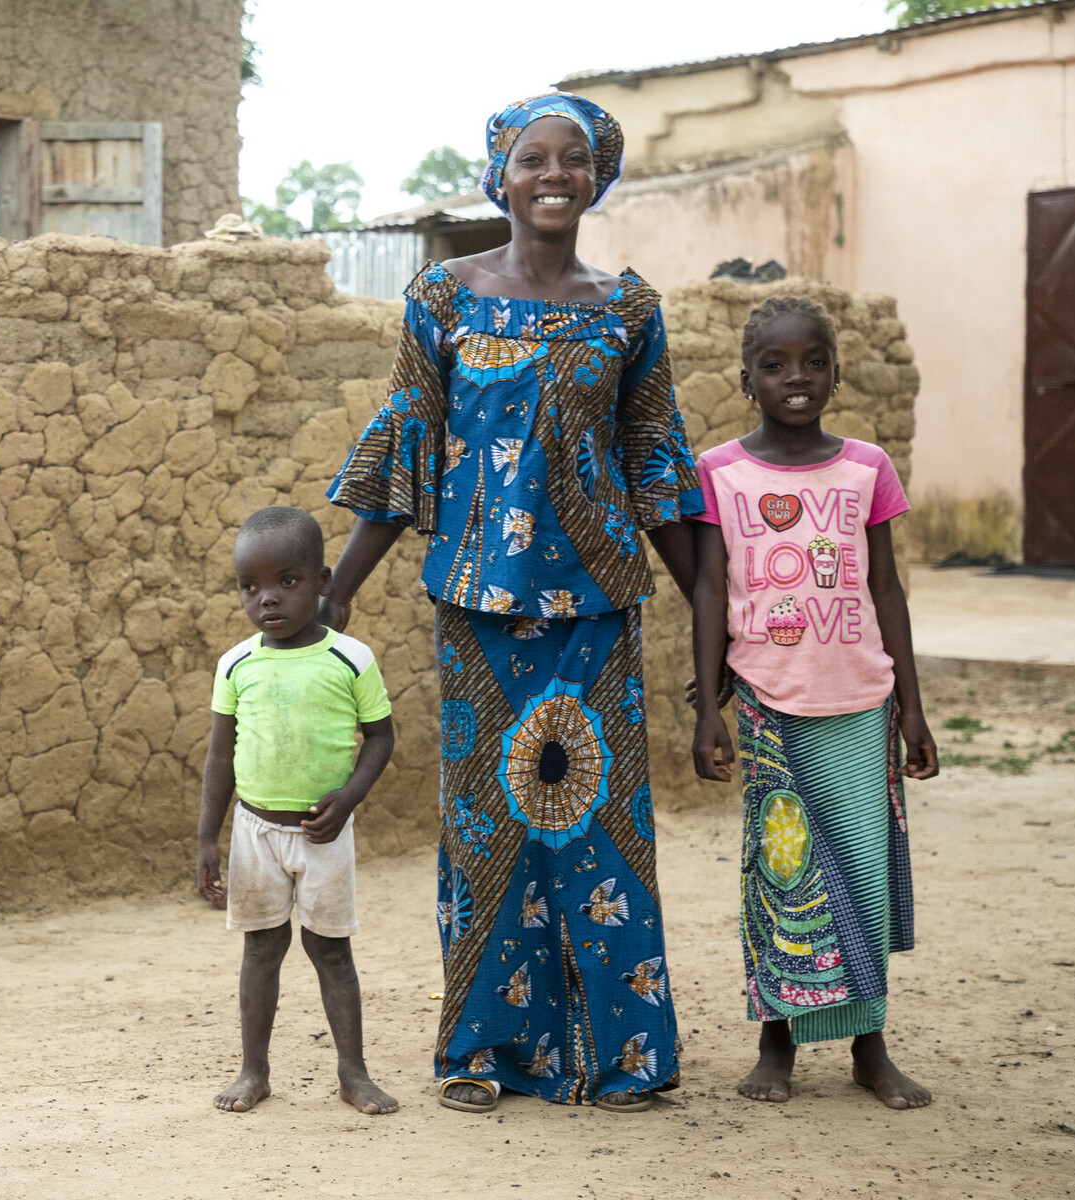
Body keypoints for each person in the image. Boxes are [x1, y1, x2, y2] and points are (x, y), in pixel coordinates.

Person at [320, 94, 702, 1113]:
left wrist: (720, 602)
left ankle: (623, 1058)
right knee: (490, 830)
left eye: (572, 160)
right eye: (531, 158)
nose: (552, 174)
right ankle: (484, 1054)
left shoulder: (627, 310)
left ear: (596, 178)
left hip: (597, 611)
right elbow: (410, 436)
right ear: (500, 175)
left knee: (604, 830)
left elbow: (652, 459)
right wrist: (339, 586)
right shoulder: (443, 298)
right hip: (480, 612)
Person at [689, 294, 938, 1110]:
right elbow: (708, 587)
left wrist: (912, 707)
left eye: (813, 362)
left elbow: (887, 588)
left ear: (834, 372)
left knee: (859, 878)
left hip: (862, 701)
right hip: (768, 702)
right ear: (746, 377)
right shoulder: (720, 471)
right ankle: (777, 1043)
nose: (796, 378)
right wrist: (707, 707)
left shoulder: (866, 467)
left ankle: (870, 1048)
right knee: (784, 876)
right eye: (775, 364)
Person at [195, 506, 400, 1116]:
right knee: (261, 949)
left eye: (288, 581)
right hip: (254, 831)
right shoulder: (236, 664)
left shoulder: (350, 659)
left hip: (323, 832)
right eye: (250, 586)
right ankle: (253, 1071)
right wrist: (208, 836)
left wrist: (350, 796)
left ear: (324, 582)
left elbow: (382, 737)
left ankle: (353, 1074)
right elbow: (220, 754)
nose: (268, 600)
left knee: (331, 952)